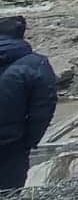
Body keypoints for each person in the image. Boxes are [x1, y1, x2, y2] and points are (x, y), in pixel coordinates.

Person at [0, 16, 57, 190]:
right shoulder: (36, 64)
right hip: (11, 146)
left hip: (13, 143)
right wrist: (29, 141)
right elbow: (43, 109)